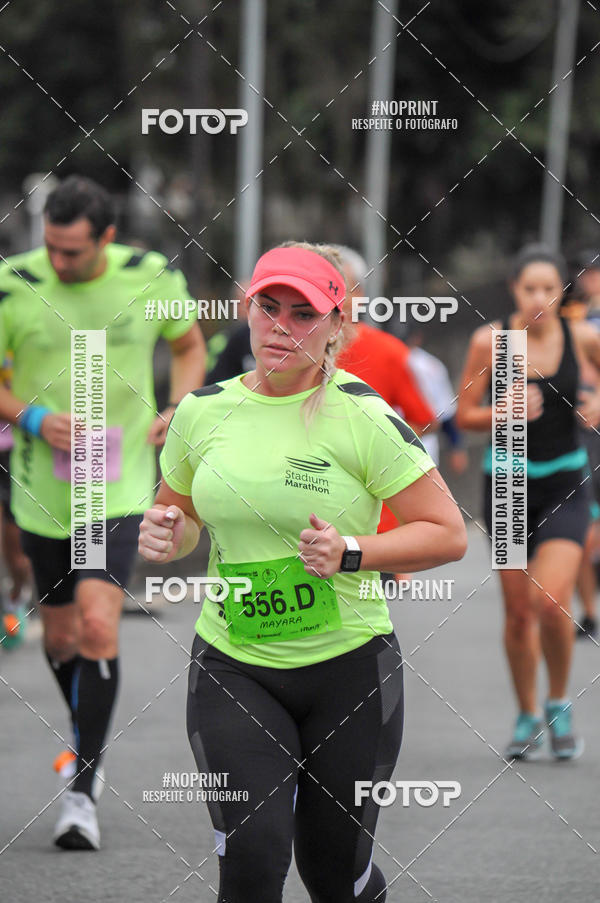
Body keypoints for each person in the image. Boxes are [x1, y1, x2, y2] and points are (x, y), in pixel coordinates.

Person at [139, 242, 466, 903]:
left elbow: (448, 533)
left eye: (303, 313)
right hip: (234, 664)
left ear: (337, 324)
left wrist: (352, 551)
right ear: (246, 311)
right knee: (252, 859)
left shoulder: (363, 415)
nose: (281, 326)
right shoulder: (202, 411)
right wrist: (168, 536)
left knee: (335, 874)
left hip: (349, 670)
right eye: (268, 307)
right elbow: (180, 517)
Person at [0, 175, 206, 849]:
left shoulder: (149, 275)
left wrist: (178, 406)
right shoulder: (13, 282)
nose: (58, 262)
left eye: (73, 252)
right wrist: (33, 417)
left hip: (114, 488)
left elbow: (188, 345)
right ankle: (85, 731)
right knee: (61, 638)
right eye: (51, 247)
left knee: (96, 622)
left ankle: (82, 788)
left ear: (107, 238)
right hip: (41, 488)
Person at [457, 244, 600, 761]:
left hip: (564, 481)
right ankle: (527, 713)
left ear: (562, 291)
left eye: (549, 288)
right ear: (514, 290)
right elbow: (463, 415)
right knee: (519, 614)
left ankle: (559, 702)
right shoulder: (492, 342)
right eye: (529, 288)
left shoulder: (581, 336)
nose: (539, 298)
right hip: (509, 485)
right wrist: (502, 413)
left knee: (551, 599)